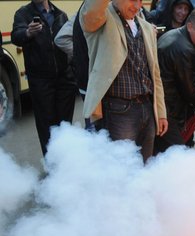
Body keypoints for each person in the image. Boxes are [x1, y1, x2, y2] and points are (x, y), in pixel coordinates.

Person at [80, 0, 169, 162]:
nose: (137, 5)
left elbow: (155, 74)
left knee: (145, 167)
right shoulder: (101, 18)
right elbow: (92, 10)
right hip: (119, 109)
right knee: (121, 170)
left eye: (140, 0)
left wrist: (161, 113)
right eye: (132, 0)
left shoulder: (147, 27)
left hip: (147, 108)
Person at [11, 0, 77, 156]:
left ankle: (66, 165)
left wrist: (74, 72)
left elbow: (70, 44)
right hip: (41, 81)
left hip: (65, 80)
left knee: (65, 126)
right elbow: (16, 36)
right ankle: (52, 167)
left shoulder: (60, 14)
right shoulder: (23, 13)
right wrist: (28, 33)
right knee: (46, 126)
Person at [156, 9, 195, 153]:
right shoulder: (184, 49)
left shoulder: (173, 35)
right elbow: (189, 89)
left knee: (160, 156)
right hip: (168, 111)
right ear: (190, 26)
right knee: (177, 156)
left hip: (163, 108)